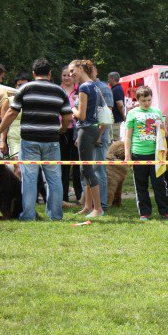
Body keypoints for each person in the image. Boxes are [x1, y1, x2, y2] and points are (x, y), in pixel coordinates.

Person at [0, 58, 71, 221]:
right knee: (54, 179)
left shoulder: (24, 89)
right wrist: (61, 130)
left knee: (29, 179)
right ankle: (55, 215)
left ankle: (28, 215)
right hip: (51, 141)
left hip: (29, 141)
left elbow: (12, 113)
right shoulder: (59, 91)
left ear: (34, 74)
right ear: (50, 73)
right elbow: (67, 115)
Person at [124, 85, 168, 221]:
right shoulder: (132, 113)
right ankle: (145, 212)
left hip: (156, 154)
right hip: (138, 153)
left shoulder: (157, 112)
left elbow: (165, 135)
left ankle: (165, 211)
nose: (146, 103)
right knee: (141, 185)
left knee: (160, 184)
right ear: (138, 100)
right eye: (143, 100)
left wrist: (163, 128)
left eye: (149, 100)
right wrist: (127, 155)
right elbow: (128, 136)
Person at [69, 59, 104, 218]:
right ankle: (88, 206)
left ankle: (98, 209)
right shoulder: (94, 86)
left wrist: (71, 109)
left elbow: (81, 115)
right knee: (87, 169)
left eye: (72, 71)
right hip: (92, 129)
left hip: (86, 129)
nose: (70, 75)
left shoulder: (84, 87)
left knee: (87, 169)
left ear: (80, 68)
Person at [91, 65, 113, 212]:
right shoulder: (83, 87)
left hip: (99, 136)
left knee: (99, 170)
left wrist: (98, 135)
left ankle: (102, 204)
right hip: (86, 136)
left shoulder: (104, 88)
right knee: (87, 170)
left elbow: (108, 113)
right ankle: (90, 204)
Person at [59, 66, 82, 202]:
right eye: (64, 75)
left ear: (73, 76)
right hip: (61, 130)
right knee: (63, 164)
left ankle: (80, 196)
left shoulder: (80, 89)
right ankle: (64, 197)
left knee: (78, 164)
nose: (66, 78)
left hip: (77, 130)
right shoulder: (57, 90)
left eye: (69, 75)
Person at [108, 71, 126, 142]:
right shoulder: (116, 88)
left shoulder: (116, 89)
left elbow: (120, 104)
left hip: (116, 120)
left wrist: (123, 116)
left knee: (116, 140)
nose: (108, 80)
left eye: (108, 78)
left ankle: (117, 153)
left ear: (112, 79)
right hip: (115, 119)